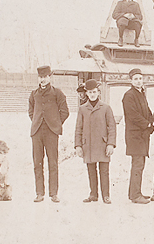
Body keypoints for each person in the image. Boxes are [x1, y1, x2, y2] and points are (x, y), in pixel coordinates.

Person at [28, 65, 69, 203]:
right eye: (40, 77)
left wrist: (56, 124)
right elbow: (31, 112)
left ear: (49, 77)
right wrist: (37, 122)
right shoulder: (34, 94)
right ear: (38, 78)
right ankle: (39, 193)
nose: (43, 79)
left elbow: (65, 112)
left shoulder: (57, 93)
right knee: (37, 163)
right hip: (37, 132)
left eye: (45, 76)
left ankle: (53, 194)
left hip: (52, 132)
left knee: (53, 162)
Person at [75, 79, 116, 204]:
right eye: (90, 92)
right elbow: (78, 128)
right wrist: (78, 145)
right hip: (88, 145)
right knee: (91, 170)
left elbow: (112, 127)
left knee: (104, 171)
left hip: (103, 145)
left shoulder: (106, 108)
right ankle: (93, 194)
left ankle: (106, 195)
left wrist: (110, 144)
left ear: (98, 92)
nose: (92, 94)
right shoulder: (82, 109)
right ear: (86, 94)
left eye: (94, 92)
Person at [122, 68, 154, 204]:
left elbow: (147, 110)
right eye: (136, 79)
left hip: (142, 136)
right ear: (131, 81)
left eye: (140, 78)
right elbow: (133, 115)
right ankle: (135, 196)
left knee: (140, 165)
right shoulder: (129, 95)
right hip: (135, 136)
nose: (139, 81)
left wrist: (152, 121)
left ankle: (136, 192)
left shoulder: (141, 93)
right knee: (137, 164)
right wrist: (147, 124)